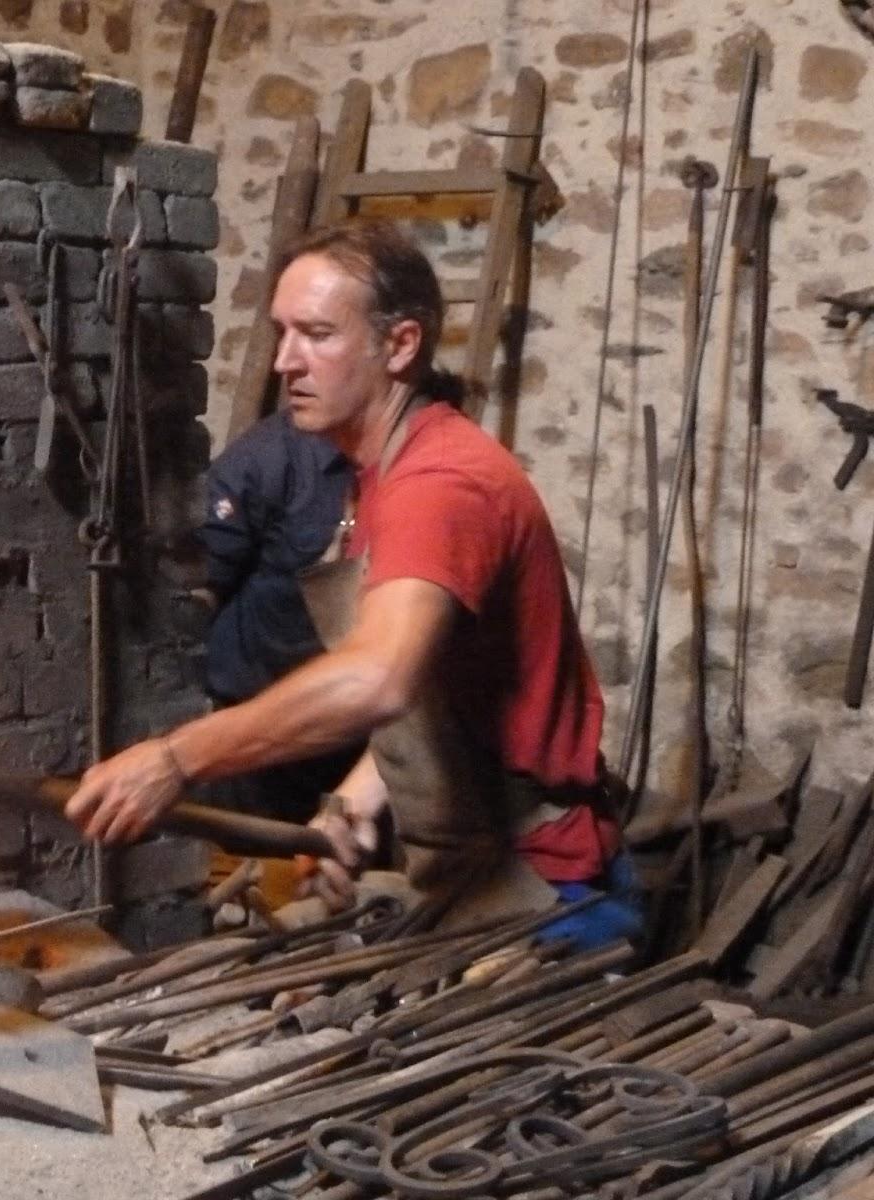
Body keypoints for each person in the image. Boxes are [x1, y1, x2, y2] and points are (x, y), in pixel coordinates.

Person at [66, 220, 639, 942]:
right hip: (468, 871)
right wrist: (356, 799)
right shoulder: (384, 472)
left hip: (548, 891)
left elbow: (379, 679)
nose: (284, 362)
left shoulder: (440, 486)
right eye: (282, 333)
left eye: (316, 334)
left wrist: (176, 758)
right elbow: (442, 697)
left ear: (400, 344)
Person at [195, 409, 358, 824]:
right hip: (254, 742)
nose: (290, 363)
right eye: (286, 342)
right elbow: (198, 587)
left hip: (354, 745)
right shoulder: (269, 457)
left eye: (318, 339)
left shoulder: (411, 474)